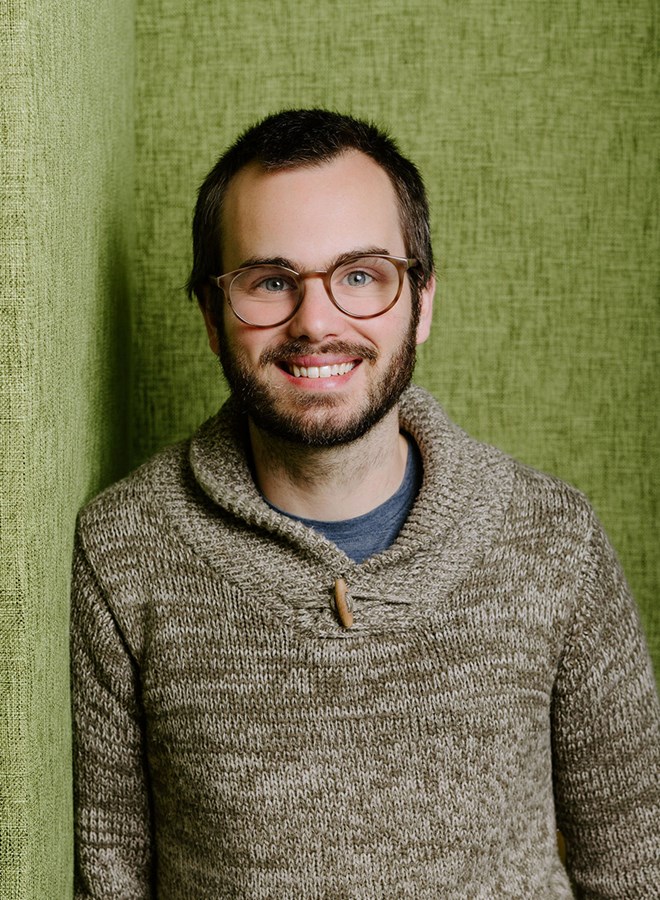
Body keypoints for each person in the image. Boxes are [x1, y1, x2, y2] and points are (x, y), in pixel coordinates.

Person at [70, 109, 659, 898]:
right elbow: (109, 877)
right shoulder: (122, 549)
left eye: (360, 276)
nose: (316, 322)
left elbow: (637, 859)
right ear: (212, 318)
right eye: (270, 281)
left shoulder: (555, 537)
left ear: (422, 302)